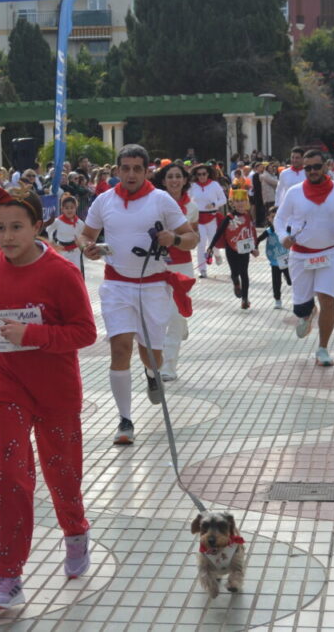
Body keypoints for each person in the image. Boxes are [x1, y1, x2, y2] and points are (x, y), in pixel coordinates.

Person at [0, 186, 97, 609]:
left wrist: (32, 334)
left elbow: (84, 331)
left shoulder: (61, 273)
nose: (7, 237)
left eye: (17, 227)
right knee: (9, 472)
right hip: (6, 380)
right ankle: (8, 575)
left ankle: (75, 529)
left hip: (55, 389)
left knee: (62, 474)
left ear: (38, 226)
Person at [76, 144, 198, 445]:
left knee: (151, 354)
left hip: (154, 285)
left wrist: (175, 238)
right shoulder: (104, 201)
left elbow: (192, 238)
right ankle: (125, 420)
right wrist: (86, 248)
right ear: (117, 170)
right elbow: (86, 234)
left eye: (137, 169)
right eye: (125, 168)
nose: (130, 174)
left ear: (146, 172)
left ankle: (152, 374)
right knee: (120, 348)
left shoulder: (162, 201)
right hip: (117, 285)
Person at [274, 149, 334, 367]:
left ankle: (323, 348)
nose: (312, 171)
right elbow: (279, 219)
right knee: (301, 309)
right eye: (308, 168)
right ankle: (307, 312)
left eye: (316, 166)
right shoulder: (294, 192)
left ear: (325, 166)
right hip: (300, 256)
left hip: (329, 254)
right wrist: (284, 236)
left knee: (328, 301)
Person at [152, 162, 197, 381]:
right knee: (162, 316)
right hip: (158, 264)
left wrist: (177, 239)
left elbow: (194, 240)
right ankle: (181, 323)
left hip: (183, 266)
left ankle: (169, 366)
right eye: (170, 177)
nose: (174, 180)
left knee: (175, 316)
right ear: (163, 180)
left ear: (185, 180)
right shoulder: (154, 205)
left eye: (178, 176)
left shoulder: (192, 207)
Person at [208, 189, 259, 310]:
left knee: (244, 273)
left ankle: (245, 299)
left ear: (246, 202)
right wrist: (211, 247)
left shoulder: (248, 216)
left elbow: (251, 233)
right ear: (232, 203)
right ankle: (236, 283)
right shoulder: (229, 217)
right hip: (231, 249)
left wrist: (254, 248)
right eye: (237, 201)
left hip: (244, 250)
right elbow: (219, 232)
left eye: (242, 200)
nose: (240, 203)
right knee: (235, 273)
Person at [189, 163, 227, 279]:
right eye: (199, 174)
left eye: (204, 174)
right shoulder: (193, 186)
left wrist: (215, 204)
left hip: (211, 217)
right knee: (201, 244)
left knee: (213, 242)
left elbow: (224, 199)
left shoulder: (214, 185)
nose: (201, 176)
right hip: (198, 219)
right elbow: (186, 200)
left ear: (208, 174)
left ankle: (216, 254)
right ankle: (202, 270)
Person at [256, 206, 292, 309]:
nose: (275, 219)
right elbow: (258, 239)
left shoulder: (288, 229)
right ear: (269, 218)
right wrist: (255, 248)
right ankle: (277, 299)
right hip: (274, 261)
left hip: (286, 260)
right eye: (273, 217)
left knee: (290, 281)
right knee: (276, 282)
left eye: (278, 217)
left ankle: (287, 277)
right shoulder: (269, 231)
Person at [46, 195, 85, 272]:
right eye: (66, 208)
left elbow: (84, 235)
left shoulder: (80, 223)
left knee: (76, 272)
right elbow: (48, 229)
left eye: (72, 208)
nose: (69, 210)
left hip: (75, 252)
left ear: (75, 208)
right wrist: (51, 242)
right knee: (61, 272)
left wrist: (82, 245)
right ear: (62, 209)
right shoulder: (57, 221)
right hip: (62, 251)